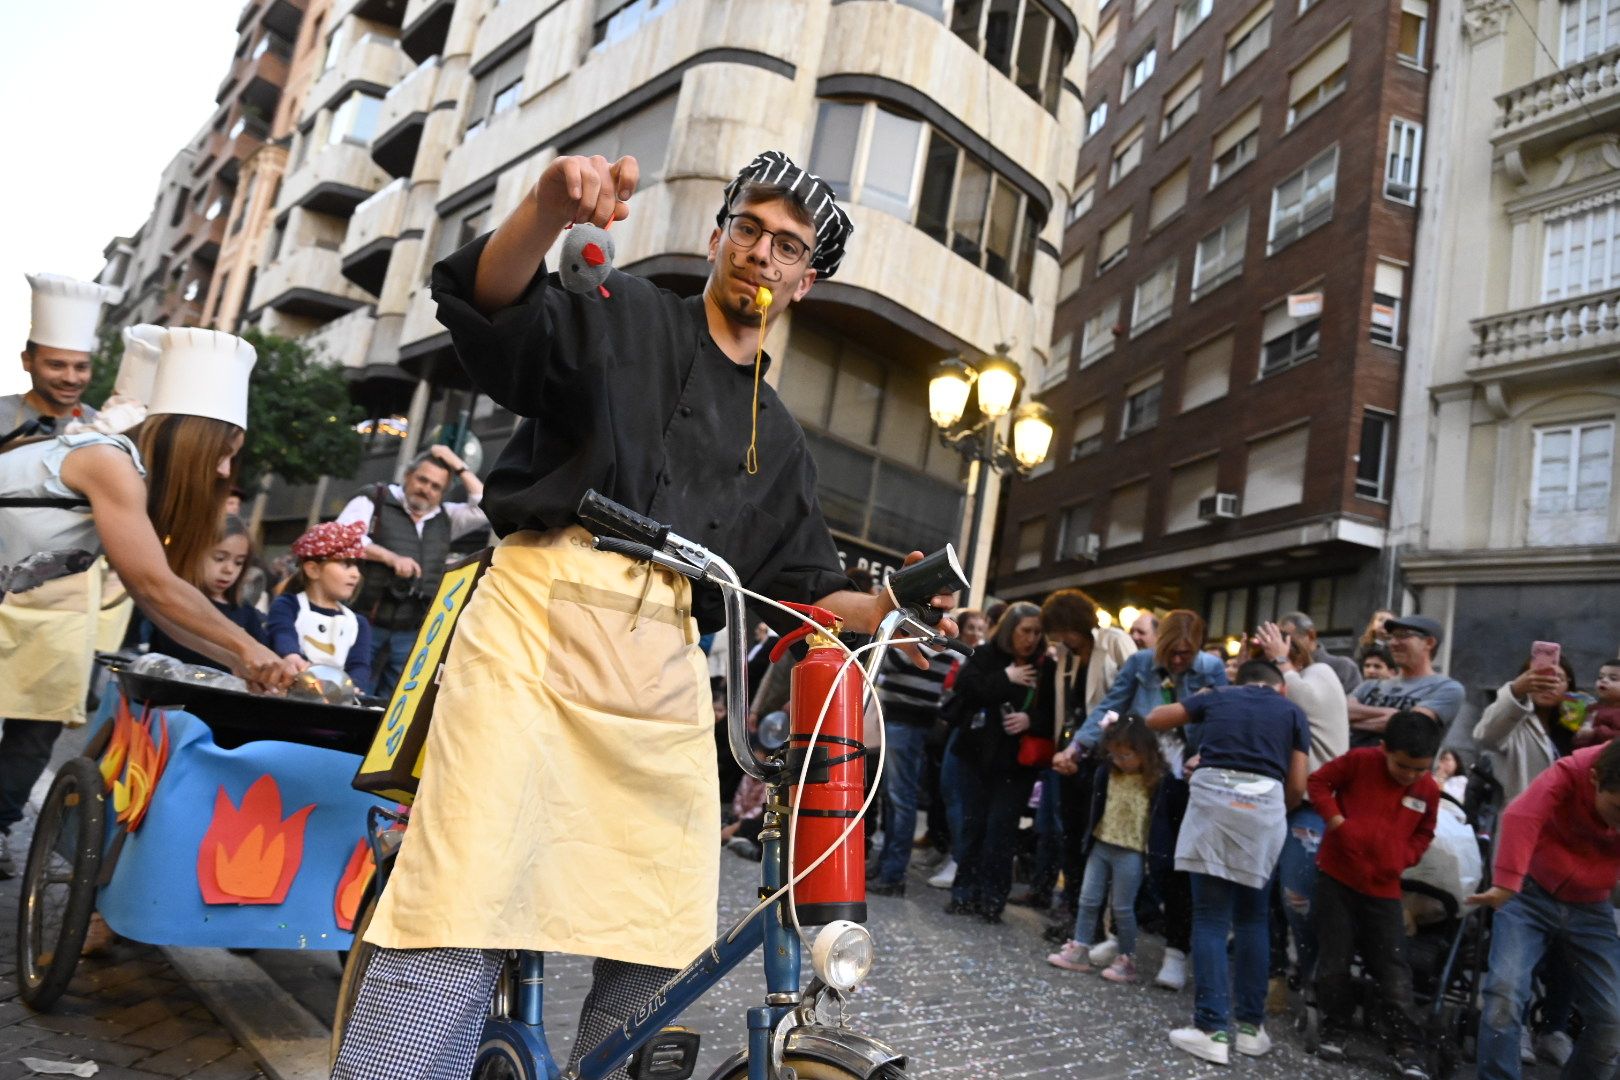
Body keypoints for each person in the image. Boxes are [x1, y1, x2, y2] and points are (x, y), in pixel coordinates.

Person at [331, 150, 956, 1080]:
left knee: (663, 917)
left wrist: (889, 603)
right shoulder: (620, 312)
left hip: (664, 666)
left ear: (804, 282)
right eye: (747, 229)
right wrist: (546, 209)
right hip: (533, 625)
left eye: (786, 247)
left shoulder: (778, 435)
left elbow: (800, 581)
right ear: (719, 236)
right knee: (464, 895)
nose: (760, 254)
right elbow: (495, 306)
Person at [0, 327, 298, 877]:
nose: (225, 472)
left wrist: (240, 661)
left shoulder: (120, 467)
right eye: (223, 454)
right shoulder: (108, 462)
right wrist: (250, 645)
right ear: (193, 441)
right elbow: (158, 585)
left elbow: (153, 598)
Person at [1149, 660, 1310, 1066]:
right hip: (1265, 801)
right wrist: (1274, 811)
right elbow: (1298, 785)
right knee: (1254, 918)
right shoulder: (1292, 711)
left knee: (1210, 917)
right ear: (1280, 687)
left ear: (1241, 679)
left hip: (1214, 797)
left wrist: (1201, 699)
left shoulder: (1219, 694)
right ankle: (1252, 1031)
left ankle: (1211, 1029)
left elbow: (1155, 718)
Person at [1065, 609, 1228, 990]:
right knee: (1123, 859)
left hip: (1183, 781)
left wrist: (1206, 756)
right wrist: (1078, 745)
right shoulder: (1140, 662)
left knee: (1172, 865)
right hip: (1137, 774)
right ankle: (1120, 943)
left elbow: (1219, 720)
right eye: (1170, 652)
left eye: (1184, 655)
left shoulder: (1212, 671)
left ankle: (1175, 949)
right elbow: (1111, 705)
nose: (1175, 661)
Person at [1467, 740, 1620, 1080]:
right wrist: (1507, 880)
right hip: (1529, 892)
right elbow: (1523, 814)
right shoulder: (1571, 770)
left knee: (1613, 1017)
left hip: (1593, 904)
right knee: (1504, 994)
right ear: (1594, 779)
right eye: (1618, 809)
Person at [1308, 710, 1442, 1080]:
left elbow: (1425, 832)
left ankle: (1405, 1045)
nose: (1410, 776)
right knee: (1334, 959)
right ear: (1383, 748)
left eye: (1419, 769)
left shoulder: (1427, 788)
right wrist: (1338, 824)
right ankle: (1335, 1025)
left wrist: (1406, 857)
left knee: (1394, 968)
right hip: (1337, 876)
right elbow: (1318, 783)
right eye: (1402, 766)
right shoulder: (1359, 761)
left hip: (1384, 887)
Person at [336, 445, 488, 696]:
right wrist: (390, 558)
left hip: (412, 629)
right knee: (350, 691)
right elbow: (343, 538)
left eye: (436, 486)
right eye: (422, 479)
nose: (426, 489)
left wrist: (458, 465)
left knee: (394, 700)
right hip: (365, 620)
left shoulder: (446, 517)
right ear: (407, 475)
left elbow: (485, 505)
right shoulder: (376, 499)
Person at [1251, 621, 1349, 990]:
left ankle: (1314, 980)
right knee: (1272, 897)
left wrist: (1280, 658)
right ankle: (1280, 975)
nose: (1278, 647)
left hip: (1310, 805)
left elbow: (1305, 701)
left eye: (1286, 640)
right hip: (1279, 801)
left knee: (1298, 899)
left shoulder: (1321, 672)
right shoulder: (1281, 681)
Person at [941, 602, 1051, 923]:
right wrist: (1006, 678)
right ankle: (964, 893)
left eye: (1036, 632)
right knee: (973, 826)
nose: (1030, 639)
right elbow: (965, 688)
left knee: (1001, 833)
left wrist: (1030, 720)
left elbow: (1052, 711)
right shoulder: (988, 655)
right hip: (977, 757)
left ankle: (992, 899)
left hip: (1016, 764)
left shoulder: (1045, 665)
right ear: (1010, 630)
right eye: (1025, 631)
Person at [1042, 588, 1136, 941]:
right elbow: (1064, 706)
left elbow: (1128, 695)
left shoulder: (1114, 642)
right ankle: (1073, 908)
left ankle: (1092, 919)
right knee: (1068, 833)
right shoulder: (1065, 655)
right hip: (1071, 754)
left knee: (1090, 837)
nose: (1062, 638)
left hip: (1105, 755)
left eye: (1065, 629)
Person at [1047, 716, 1162, 983]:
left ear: (1144, 753)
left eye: (1127, 756)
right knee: (1088, 900)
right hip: (1101, 845)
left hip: (1131, 850)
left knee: (1122, 908)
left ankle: (1126, 958)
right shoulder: (1107, 773)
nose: (1121, 761)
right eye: (1115, 755)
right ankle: (1081, 947)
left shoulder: (1154, 782)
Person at [869, 639, 954, 896]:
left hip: (906, 723)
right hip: (903, 722)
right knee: (893, 797)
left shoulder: (931, 637)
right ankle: (886, 865)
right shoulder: (930, 636)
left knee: (900, 798)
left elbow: (885, 661)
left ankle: (893, 874)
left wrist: (895, 638)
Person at [141, 515, 267, 668]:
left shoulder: (246, 613)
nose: (229, 569)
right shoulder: (175, 601)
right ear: (194, 554)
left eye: (238, 562)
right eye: (219, 558)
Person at [0, 274, 113, 442]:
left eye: (81, 367)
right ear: (27, 361)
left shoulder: (103, 426)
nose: (71, 378)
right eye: (56, 365)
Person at [267, 521, 373, 691]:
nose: (355, 574)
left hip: (336, 699)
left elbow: (360, 666)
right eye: (345, 564)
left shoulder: (358, 623)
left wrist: (354, 687)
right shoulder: (288, 606)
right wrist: (291, 656)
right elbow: (282, 633)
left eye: (357, 565)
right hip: (288, 691)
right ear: (313, 570)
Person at [1473, 650, 1582, 804]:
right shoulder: (1512, 722)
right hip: (1521, 817)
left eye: (1557, 678)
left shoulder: (1575, 728)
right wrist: (1515, 691)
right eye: (1540, 677)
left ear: (1568, 687)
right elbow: (1485, 736)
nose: (1548, 685)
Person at [1347, 614, 1464, 749]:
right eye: (1392, 637)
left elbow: (1409, 727)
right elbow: (1342, 711)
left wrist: (1350, 722)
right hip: (1351, 767)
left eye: (1403, 635)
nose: (1393, 643)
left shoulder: (1446, 688)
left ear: (1429, 642)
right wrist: (1392, 714)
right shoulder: (1369, 685)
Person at [1278, 611, 1359, 695]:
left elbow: (1352, 703)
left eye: (1290, 641)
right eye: (1280, 641)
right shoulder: (1280, 666)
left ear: (1311, 635)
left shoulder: (1343, 666)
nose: (1285, 647)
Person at [1575, 659, 1620, 748]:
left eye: (1613, 678)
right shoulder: (1591, 708)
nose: (1604, 680)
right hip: (1581, 755)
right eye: (1600, 677)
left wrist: (1596, 732)